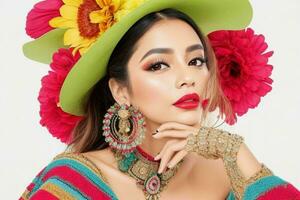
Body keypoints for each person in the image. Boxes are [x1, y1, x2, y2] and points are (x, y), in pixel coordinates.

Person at [20, 0, 300, 199]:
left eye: (195, 60)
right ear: (121, 91)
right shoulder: (76, 181)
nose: (187, 77)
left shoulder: (233, 174)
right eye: (158, 65)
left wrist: (237, 152)